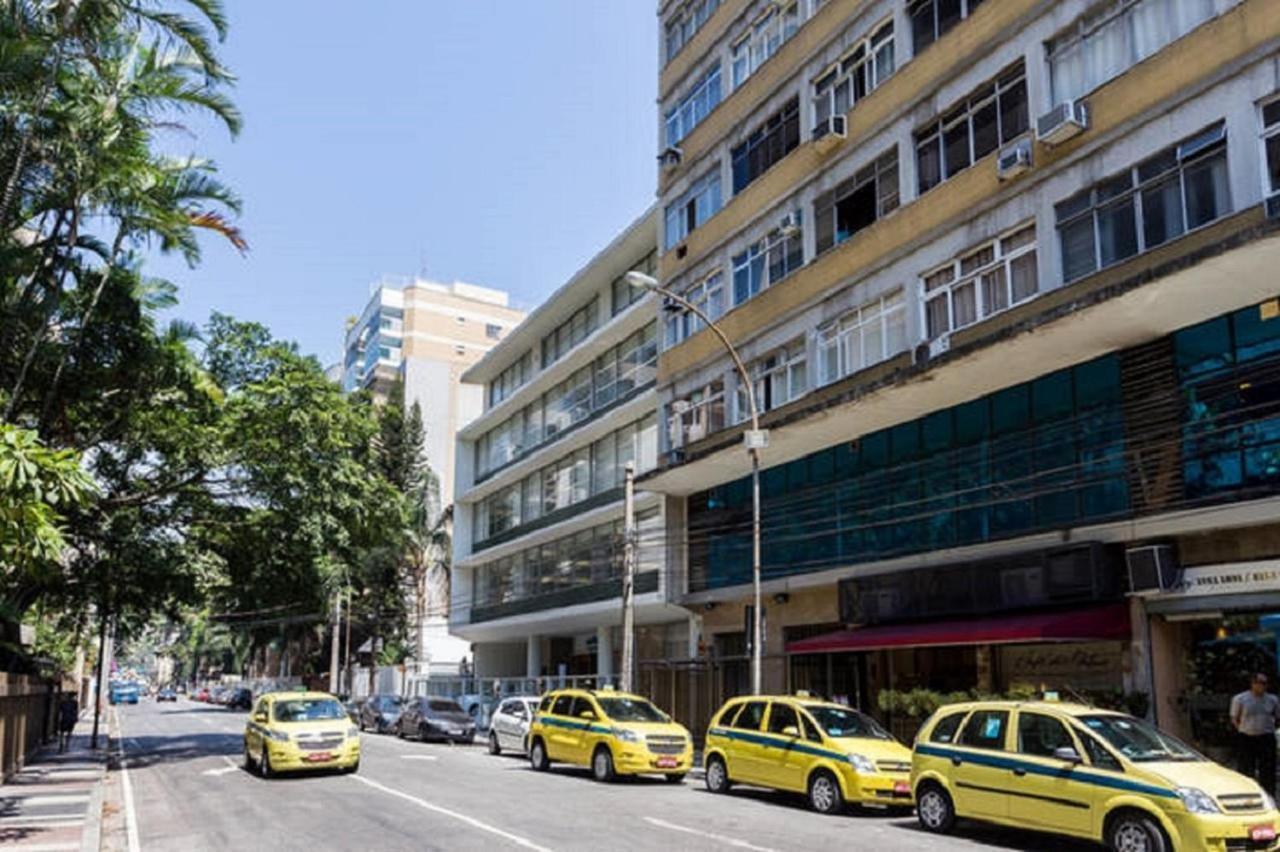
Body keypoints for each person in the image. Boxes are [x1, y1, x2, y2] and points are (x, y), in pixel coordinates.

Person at [1231, 672, 1280, 796]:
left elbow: (1276, 716)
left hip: (1266, 736)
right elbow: (1235, 718)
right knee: (1246, 767)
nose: (1262, 686)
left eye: (1264, 683)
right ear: (1253, 684)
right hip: (1247, 737)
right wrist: (1243, 729)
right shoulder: (1240, 699)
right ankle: (1246, 793)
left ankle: (1269, 794)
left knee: (1268, 769)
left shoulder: (1272, 699)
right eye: (1259, 683)